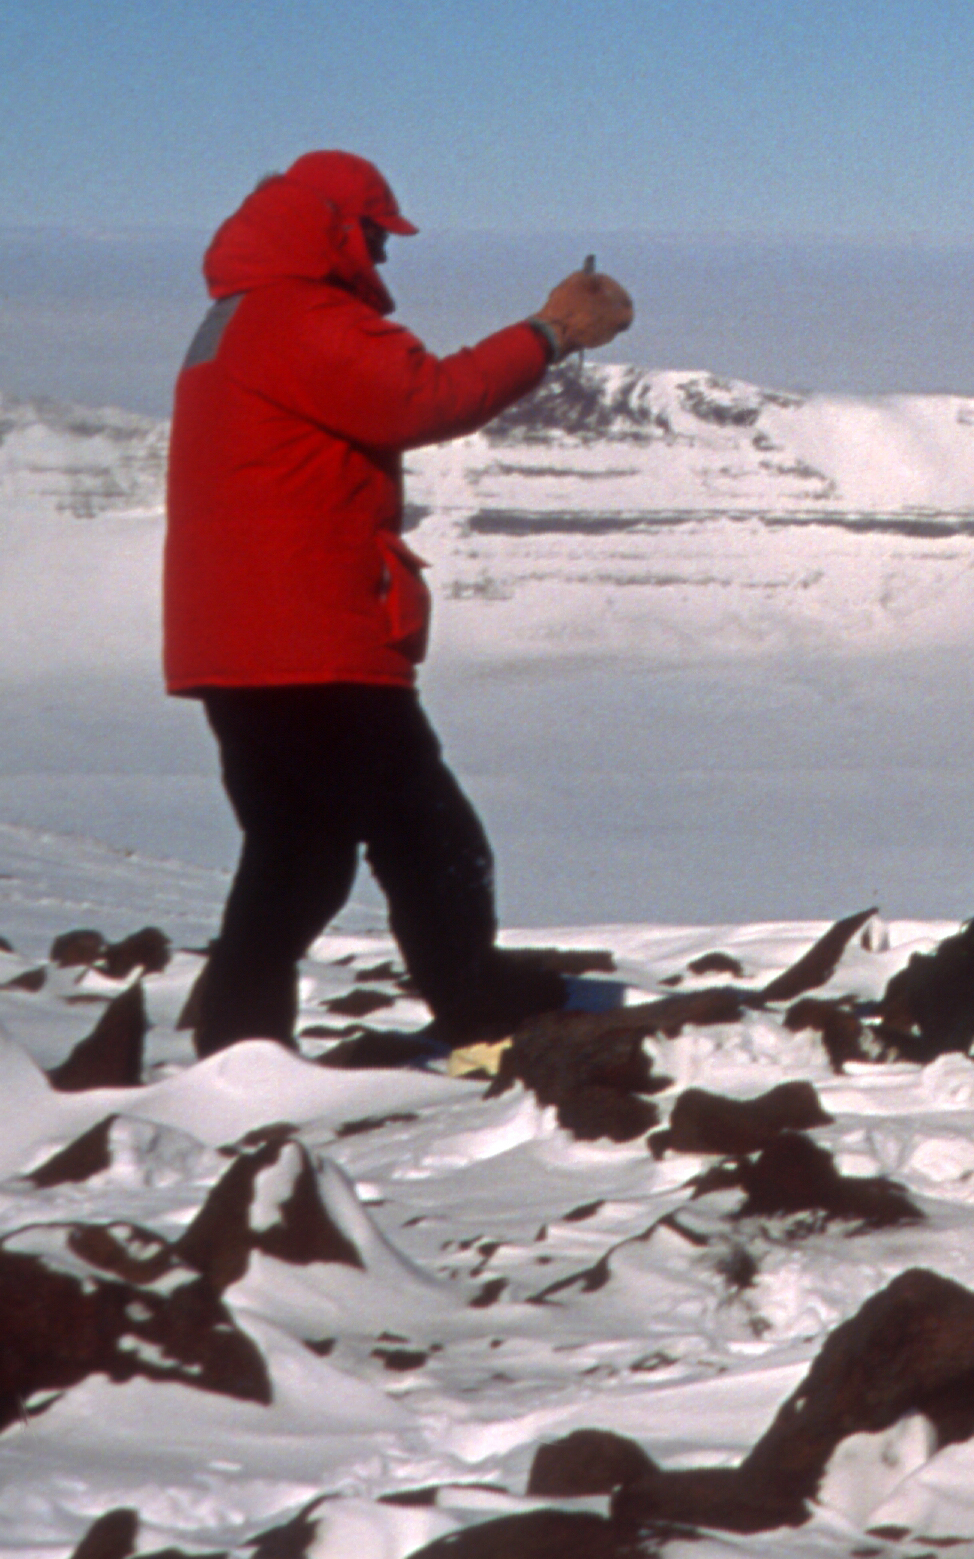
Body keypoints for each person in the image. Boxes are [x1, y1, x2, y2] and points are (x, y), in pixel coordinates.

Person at [164, 151, 636, 1053]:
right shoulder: (296, 314)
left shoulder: (235, 317)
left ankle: (239, 1046)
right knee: (425, 827)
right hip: (308, 632)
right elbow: (422, 398)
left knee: (299, 854)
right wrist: (551, 331)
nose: (382, 254)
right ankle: (480, 1010)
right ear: (336, 227)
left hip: (243, 639)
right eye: (375, 232)